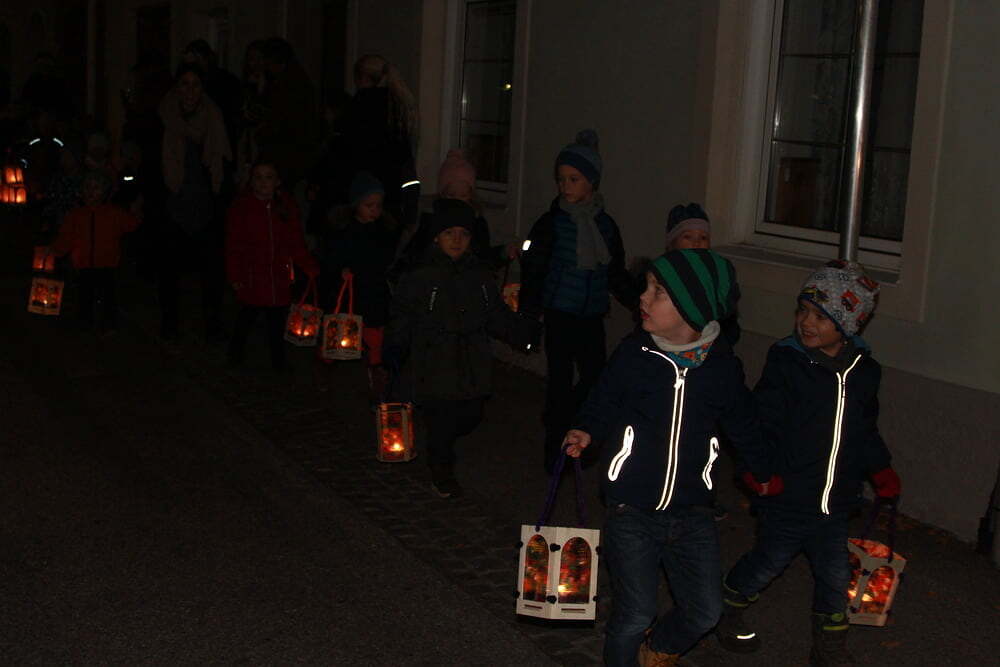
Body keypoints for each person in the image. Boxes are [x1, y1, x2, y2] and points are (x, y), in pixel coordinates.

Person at [562, 249, 775, 666]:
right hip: (631, 506)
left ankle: (658, 649)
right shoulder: (634, 355)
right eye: (646, 287)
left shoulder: (721, 367)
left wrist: (763, 471)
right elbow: (604, 399)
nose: (643, 297)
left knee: (705, 611)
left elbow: (744, 424)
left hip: (693, 511)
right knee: (635, 613)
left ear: (691, 308)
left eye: (658, 291)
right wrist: (586, 429)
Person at [716, 260, 901, 666]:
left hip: (836, 501)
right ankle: (726, 607)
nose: (806, 322)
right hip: (787, 495)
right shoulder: (787, 363)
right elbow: (760, 422)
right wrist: (756, 470)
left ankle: (829, 649)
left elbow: (865, 429)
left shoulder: (865, 372)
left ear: (848, 323)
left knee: (835, 577)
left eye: (820, 316)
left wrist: (881, 468)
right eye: (803, 310)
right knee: (768, 563)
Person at [384, 199, 538, 499]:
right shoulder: (421, 276)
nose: (456, 240)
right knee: (441, 419)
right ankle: (441, 470)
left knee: (471, 414)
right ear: (436, 237)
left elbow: (495, 313)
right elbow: (402, 314)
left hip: (471, 359)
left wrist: (522, 335)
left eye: (463, 234)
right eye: (449, 233)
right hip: (434, 359)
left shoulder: (478, 275)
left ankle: (439, 441)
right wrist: (394, 350)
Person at [519, 129, 636, 474]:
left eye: (574, 179)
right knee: (559, 383)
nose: (565, 186)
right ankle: (555, 452)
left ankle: (583, 442)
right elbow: (534, 268)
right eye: (561, 179)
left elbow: (615, 271)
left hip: (591, 316)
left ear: (592, 182)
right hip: (560, 314)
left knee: (594, 381)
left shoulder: (605, 226)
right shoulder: (551, 223)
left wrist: (638, 302)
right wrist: (529, 312)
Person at [158, 62, 232, 342]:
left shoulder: (213, 117)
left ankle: (212, 323)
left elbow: (221, 160)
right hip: (173, 199)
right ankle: (170, 322)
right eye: (185, 84)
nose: (190, 91)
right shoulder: (165, 115)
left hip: (205, 200)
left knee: (211, 269)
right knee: (169, 268)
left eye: (196, 84)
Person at [225, 160, 319, 371]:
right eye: (258, 177)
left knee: (277, 321)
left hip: (278, 276)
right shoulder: (241, 208)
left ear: (277, 181)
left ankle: (278, 361)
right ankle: (235, 353)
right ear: (251, 181)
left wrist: (307, 264)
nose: (263, 182)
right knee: (247, 316)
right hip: (253, 275)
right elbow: (234, 244)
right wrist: (235, 275)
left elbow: (295, 240)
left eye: (268, 177)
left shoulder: (286, 206)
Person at [316, 172, 401, 396]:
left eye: (378, 205)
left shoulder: (383, 230)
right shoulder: (343, 229)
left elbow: (387, 256)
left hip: (373, 291)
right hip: (349, 292)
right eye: (369, 205)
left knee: (375, 334)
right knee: (340, 332)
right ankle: (326, 365)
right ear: (356, 204)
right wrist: (341, 270)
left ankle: (376, 371)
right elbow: (332, 256)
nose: (375, 210)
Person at [51, 170, 141, 333]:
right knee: (84, 296)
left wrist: (136, 211)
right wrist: (55, 252)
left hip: (107, 264)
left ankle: (108, 324)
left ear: (104, 191)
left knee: (108, 297)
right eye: (88, 187)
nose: (91, 192)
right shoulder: (76, 215)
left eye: (96, 188)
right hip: (84, 265)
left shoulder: (114, 213)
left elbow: (131, 224)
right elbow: (66, 237)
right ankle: (85, 324)